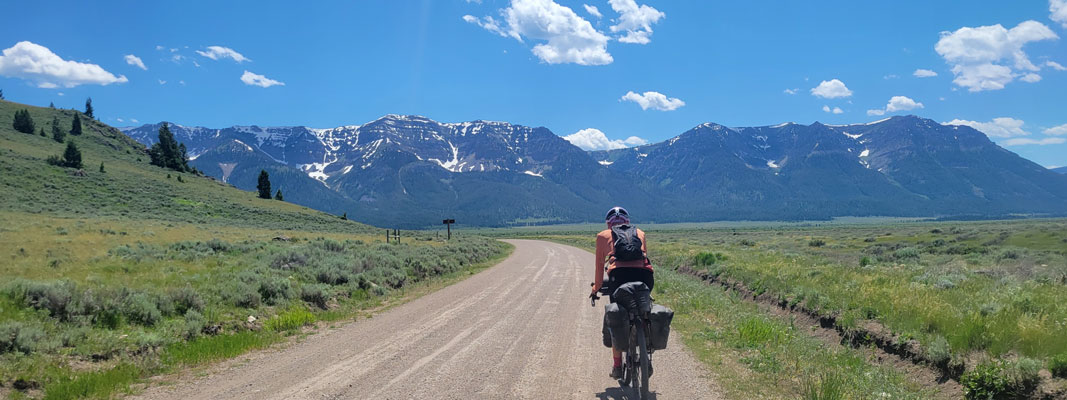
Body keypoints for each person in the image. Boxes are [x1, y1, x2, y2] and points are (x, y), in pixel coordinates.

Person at [590, 206, 653, 379]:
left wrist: (596, 289)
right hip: (645, 276)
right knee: (645, 309)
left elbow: (598, 267)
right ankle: (647, 354)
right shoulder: (640, 233)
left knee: (616, 317)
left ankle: (618, 366)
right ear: (628, 222)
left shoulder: (603, 236)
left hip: (619, 277)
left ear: (608, 223)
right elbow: (644, 259)